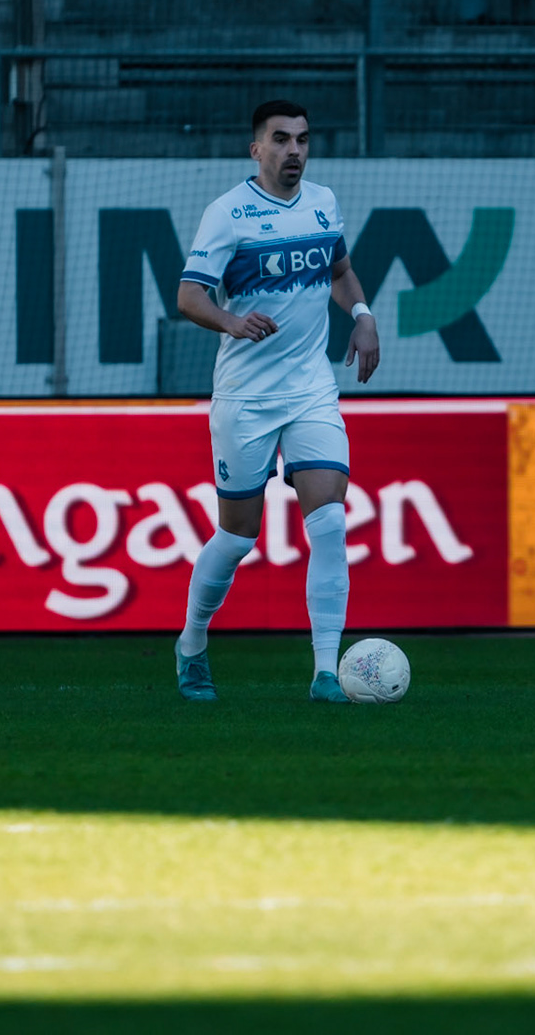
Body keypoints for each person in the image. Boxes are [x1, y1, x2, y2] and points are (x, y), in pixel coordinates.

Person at [171, 100, 381, 703]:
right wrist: (231, 322)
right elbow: (189, 296)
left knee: (331, 521)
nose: (295, 150)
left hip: (311, 390)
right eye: (282, 139)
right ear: (256, 149)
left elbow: (339, 270)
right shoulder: (227, 214)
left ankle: (325, 673)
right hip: (246, 397)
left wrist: (362, 314)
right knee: (238, 536)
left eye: (303, 140)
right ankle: (191, 643)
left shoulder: (323, 202)